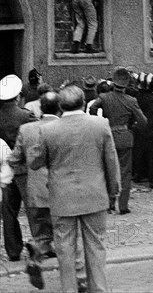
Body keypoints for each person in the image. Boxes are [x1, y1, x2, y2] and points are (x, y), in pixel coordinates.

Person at [30, 84, 121, 293]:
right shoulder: (100, 125)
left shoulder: (47, 129)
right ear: (82, 102)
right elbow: (110, 160)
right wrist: (113, 190)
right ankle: (99, 289)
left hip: (62, 197)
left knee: (65, 251)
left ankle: (69, 290)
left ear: (61, 106)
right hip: (94, 193)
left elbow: (35, 162)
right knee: (96, 248)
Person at [7, 92, 87, 292]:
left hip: (34, 192)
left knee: (42, 233)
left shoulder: (26, 129)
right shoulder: (65, 128)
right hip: (60, 190)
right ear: (60, 107)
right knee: (66, 235)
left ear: (40, 108)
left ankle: (37, 251)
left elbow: (14, 159)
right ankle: (80, 278)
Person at [89, 67, 147, 214]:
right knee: (125, 172)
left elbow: (93, 108)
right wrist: (132, 126)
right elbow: (143, 121)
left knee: (108, 169)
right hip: (125, 135)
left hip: (108, 134)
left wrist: (100, 121)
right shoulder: (131, 100)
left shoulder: (104, 97)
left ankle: (109, 202)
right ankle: (123, 205)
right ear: (127, 84)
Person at [0, 74, 37, 261]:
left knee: (8, 210)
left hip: (4, 169)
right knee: (33, 208)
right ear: (17, 95)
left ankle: (13, 251)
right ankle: (40, 244)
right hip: (25, 168)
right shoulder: (25, 115)